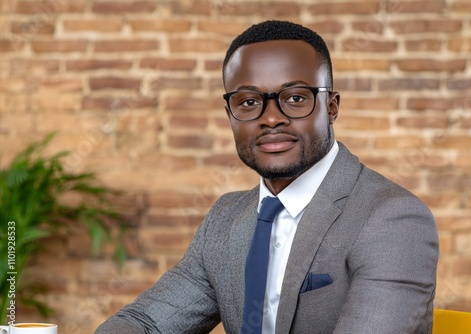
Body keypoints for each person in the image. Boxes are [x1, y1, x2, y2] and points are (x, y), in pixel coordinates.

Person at [95, 20, 439, 334]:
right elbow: (146, 323)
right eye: (248, 102)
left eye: (294, 98)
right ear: (229, 113)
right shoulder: (226, 219)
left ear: (331, 106)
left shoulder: (392, 218)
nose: (271, 118)